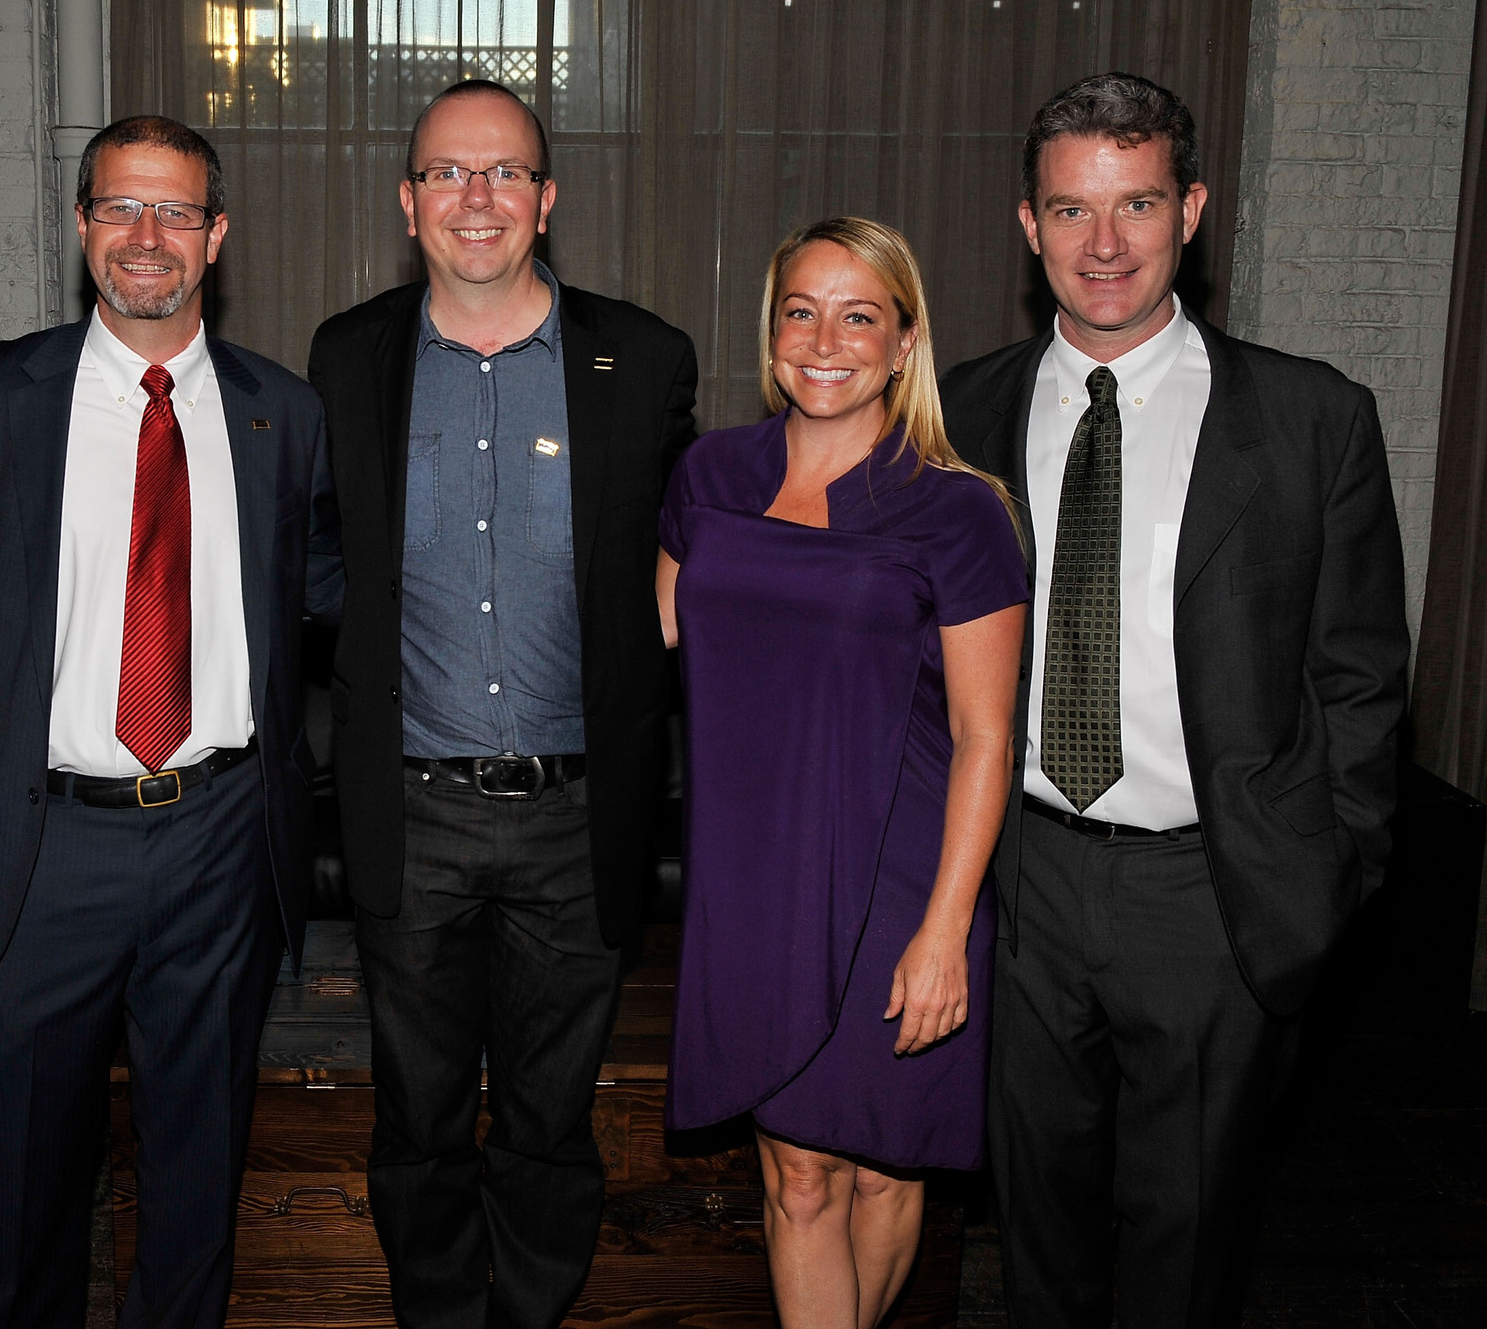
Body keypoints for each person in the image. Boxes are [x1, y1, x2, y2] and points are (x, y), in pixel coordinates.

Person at [939, 71, 1410, 1327]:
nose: (1104, 244)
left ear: (1190, 209)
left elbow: (1359, 678)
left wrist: (1325, 874)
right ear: (1025, 224)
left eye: (1136, 203)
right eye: (1071, 209)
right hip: (1020, 881)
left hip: (1213, 894)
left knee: (1188, 1240)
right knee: (1030, 1227)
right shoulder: (952, 416)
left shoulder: (1312, 419)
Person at [0, 114, 341, 1329]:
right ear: (81, 227)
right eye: (118, 207)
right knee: (19, 1189)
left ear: (214, 235)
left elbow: (325, 594)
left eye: (172, 211)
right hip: (42, 846)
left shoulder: (284, 412)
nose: (143, 236)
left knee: (196, 1179)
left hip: (219, 841)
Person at [305, 78, 697, 1328]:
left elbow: (700, 551)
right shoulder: (345, 355)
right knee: (414, 1118)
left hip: (574, 821)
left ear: (546, 198)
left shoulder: (640, 360)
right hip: (409, 814)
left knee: (548, 1119)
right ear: (407, 198)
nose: (477, 199)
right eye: (448, 174)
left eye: (505, 173)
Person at [657, 218, 1027, 1328]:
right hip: (757, 883)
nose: (824, 339)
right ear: (769, 330)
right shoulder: (709, 470)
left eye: (858, 314)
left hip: (901, 877)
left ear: (903, 341)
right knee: (796, 1173)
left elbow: (983, 738)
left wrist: (945, 929)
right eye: (799, 311)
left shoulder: (959, 508)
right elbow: (674, 639)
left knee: (879, 1166)